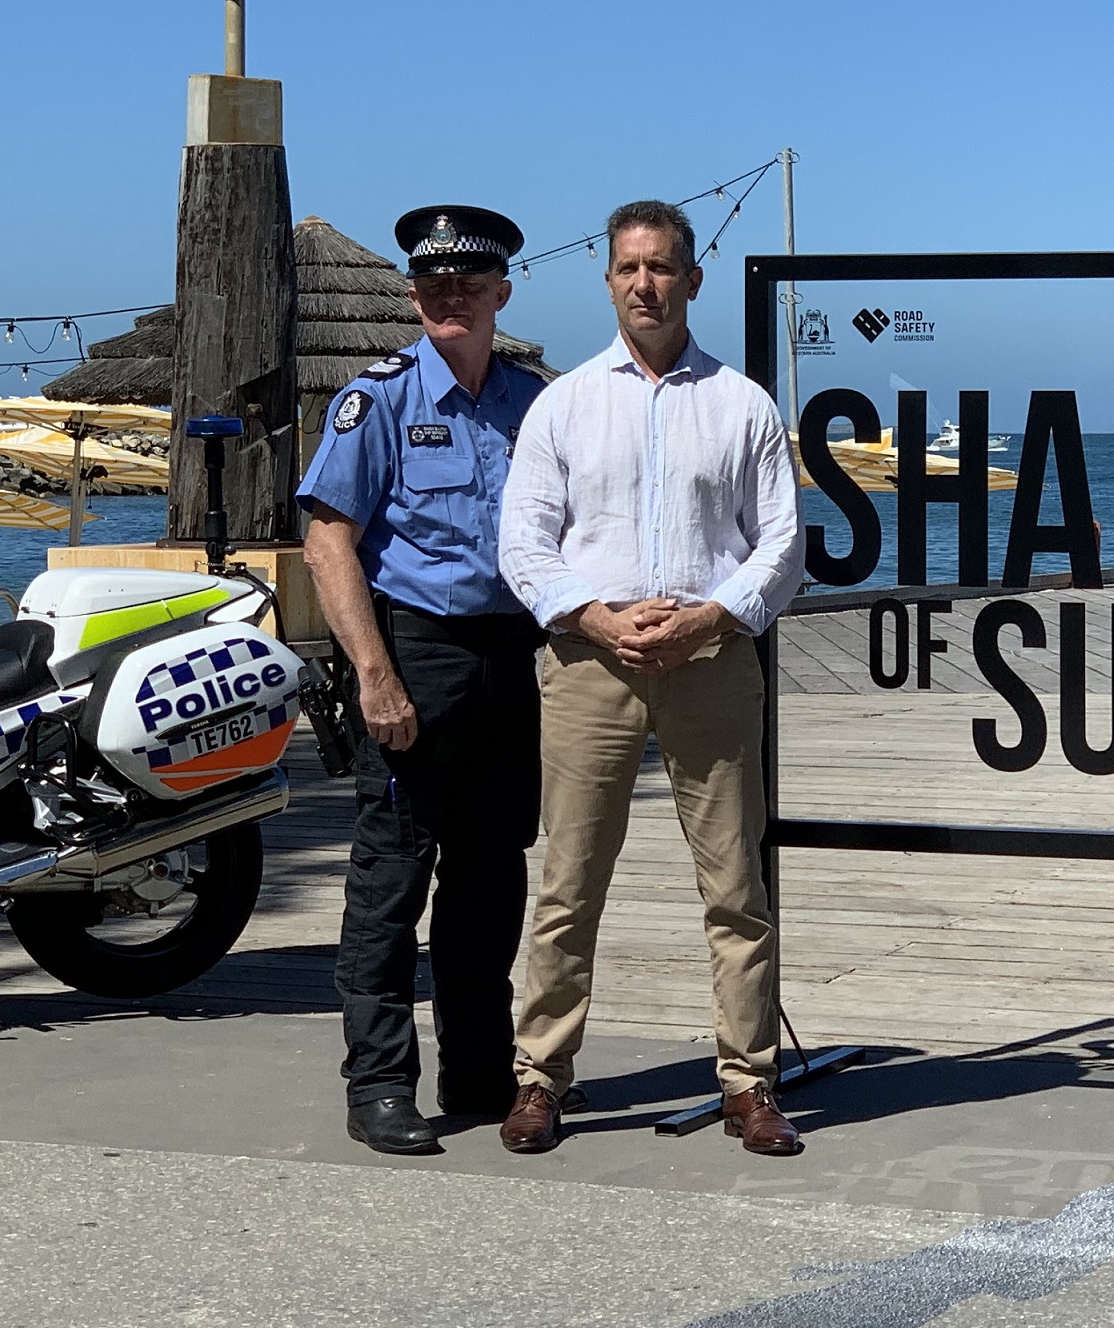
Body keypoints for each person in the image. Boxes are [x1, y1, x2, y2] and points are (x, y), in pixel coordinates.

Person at [494, 199, 807, 1156]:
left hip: (711, 660)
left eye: (662, 267)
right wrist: (594, 616)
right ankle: (540, 1077)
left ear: (691, 279)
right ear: (608, 283)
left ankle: (749, 1083)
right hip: (592, 663)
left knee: (736, 886)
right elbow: (523, 542)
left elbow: (782, 545)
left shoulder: (743, 405)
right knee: (568, 883)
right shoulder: (563, 405)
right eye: (629, 268)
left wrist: (711, 615)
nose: (645, 285)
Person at [297, 206, 545, 1156]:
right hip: (415, 653)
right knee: (392, 880)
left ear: (501, 293)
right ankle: (379, 1086)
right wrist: (374, 674)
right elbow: (329, 542)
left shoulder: (534, 403)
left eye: (470, 285)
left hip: (510, 658)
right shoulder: (380, 401)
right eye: (436, 285)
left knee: (492, 877)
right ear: (413, 296)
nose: (453, 298)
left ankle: (478, 1072)